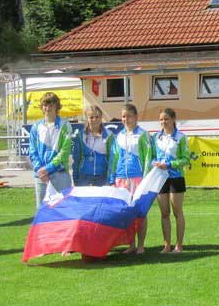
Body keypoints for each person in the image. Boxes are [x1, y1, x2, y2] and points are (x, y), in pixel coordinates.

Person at [109, 104, 154, 254]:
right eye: (123, 116)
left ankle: (141, 245)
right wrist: (112, 177)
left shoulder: (143, 135)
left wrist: (146, 178)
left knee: (140, 213)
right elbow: (114, 157)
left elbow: (148, 157)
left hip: (138, 178)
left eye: (128, 116)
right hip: (121, 178)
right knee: (126, 213)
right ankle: (131, 245)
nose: (126, 119)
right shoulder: (119, 136)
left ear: (135, 117)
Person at [152, 108, 191, 253]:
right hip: (160, 178)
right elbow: (151, 157)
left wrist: (169, 165)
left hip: (176, 177)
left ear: (173, 119)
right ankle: (166, 245)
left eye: (166, 119)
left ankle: (179, 245)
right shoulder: (156, 137)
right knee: (164, 213)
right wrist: (154, 164)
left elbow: (186, 159)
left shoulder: (181, 137)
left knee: (177, 212)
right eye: (161, 119)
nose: (163, 122)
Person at [29, 92, 73, 208]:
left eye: (50, 105)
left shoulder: (65, 125)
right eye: (44, 105)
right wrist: (41, 170)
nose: (47, 108)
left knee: (63, 209)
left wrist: (48, 168)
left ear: (56, 106)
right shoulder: (36, 127)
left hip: (60, 173)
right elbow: (32, 151)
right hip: (41, 175)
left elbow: (65, 151)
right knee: (42, 211)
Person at [72, 106, 114, 186]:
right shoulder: (81, 135)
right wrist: (75, 178)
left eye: (97, 117)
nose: (94, 119)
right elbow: (76, 158)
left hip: (103, 177)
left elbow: (112, 159)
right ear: (87, 119)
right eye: (91, 117)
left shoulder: (109, 135)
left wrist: (111, 179)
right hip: (84, 177)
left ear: (101, 117)